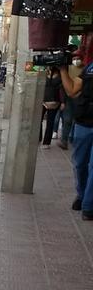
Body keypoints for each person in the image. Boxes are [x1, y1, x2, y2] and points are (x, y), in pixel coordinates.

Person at [58, 44, 93, 219]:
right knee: (80, 164)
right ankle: (82, 194)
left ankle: (88, 205)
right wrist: (63, 69)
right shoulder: (90, 68)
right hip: (84, 123)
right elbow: (72, 90)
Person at [41, 67, 64, 147]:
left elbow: (62, 90)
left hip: (54, 102)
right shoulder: (45, 73)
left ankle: (46, 142)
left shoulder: (60, 76)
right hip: (43, 101)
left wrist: (63, 102)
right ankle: (39, 138)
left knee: (50, 122)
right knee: (39, 120)